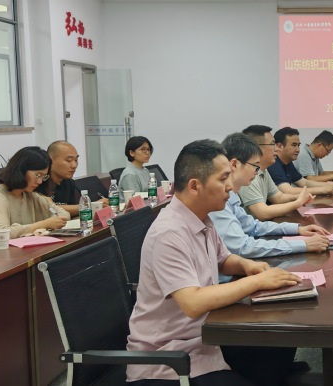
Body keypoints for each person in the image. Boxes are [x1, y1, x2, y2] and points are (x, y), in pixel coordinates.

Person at [126, 139, 301, 386]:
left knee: (279, 340)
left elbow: (223, 259)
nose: (230, 186)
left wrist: (246, 265)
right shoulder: (169, 233)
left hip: (205, 337)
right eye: (223, 178)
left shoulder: (202, 218)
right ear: (195, 186)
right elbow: (193, 302)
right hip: (170, 359)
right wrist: (258, 281)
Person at [209, 133, 331, 276]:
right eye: (255, 166)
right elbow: (243, 247)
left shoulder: (231, 197)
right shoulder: (217, 202)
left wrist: (297, 229)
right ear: (234, 164)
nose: (256, 172)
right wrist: (303, 245)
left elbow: (254, 227)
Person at [0, 147, 69, 252]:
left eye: (44, 177)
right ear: (21, 171)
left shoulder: (30, 195)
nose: (40, 181)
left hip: (22, 252)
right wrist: (44, 224)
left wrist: (54, 221)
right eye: (38, 175)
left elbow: (63, 214)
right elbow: (1, 235)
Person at [238, 125, 315, 221]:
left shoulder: (263, 170)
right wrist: (297, 203)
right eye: (272, 144)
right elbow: (262, 213)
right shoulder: (247, 173)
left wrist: (298, 197)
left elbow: (278, 197)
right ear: (257, 148)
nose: (277, 149)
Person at [40, 141, 108, 217]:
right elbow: (47, 208)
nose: (74, 165)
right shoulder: (40, 182)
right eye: (68, 160)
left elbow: (71, 213)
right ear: (50, 160)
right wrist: (90, 206)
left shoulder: (69, 183)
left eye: (76, 160)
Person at [268, 127, 333, 196]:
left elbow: (304, 182)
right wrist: (322, 190)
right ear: (280, 146)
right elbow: (288, 191)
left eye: (298, 145)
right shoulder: (273, 164)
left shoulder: (288, 162)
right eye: (294, 145)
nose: (298, 150)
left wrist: (332, 184)